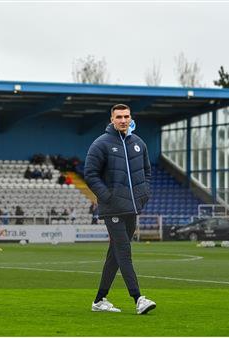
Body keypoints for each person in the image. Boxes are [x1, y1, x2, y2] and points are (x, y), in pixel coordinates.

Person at [83, 103, 156, 315]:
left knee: (114, 256)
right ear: (112, 119)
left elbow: (147, 171)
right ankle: (138, 298)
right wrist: (108, 197)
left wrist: (144, 194)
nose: (123, 120)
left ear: (130, 117)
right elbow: (90, 174)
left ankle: (99, 300)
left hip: (132, 208)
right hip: (113, 208)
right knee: (124, 252)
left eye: (126, 116)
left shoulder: (138, 143)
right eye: (119, 117)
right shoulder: (101, 144)